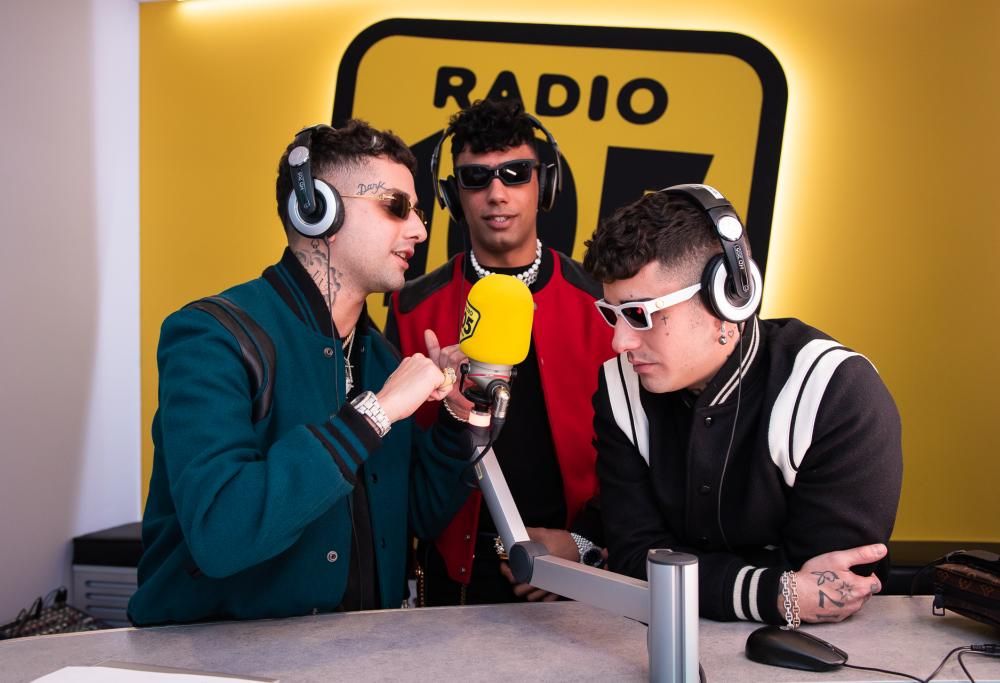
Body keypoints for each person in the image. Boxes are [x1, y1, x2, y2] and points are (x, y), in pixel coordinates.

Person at [128, 121, 472, 625]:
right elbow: (222, 533)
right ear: (317, 210)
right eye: (396, 206)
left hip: (361, 653)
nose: (419, 229)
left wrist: (457, 422)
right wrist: (375, 414)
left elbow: (414, 518)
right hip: (217, 658)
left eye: (417, 211)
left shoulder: (381, 358)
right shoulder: (210, 337)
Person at [583, 184, 902, 626]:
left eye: (640, 315)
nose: (620, 342)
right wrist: (774, 592)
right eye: (612, 314)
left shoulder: (834, 391)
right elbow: (634, 558)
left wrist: (693, 576)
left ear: (728, 296)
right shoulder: (619, 387)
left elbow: (834, 586)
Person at [385, 99, 613, 605]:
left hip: (575, 571)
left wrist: (581, 545)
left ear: (543, 185)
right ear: (452, 196)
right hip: (454, 579)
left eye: (515, 173)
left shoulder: (601, 303)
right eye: (476, 178)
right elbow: (395, 465)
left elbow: (639, 455)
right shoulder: (411, 307)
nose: (497, 193)